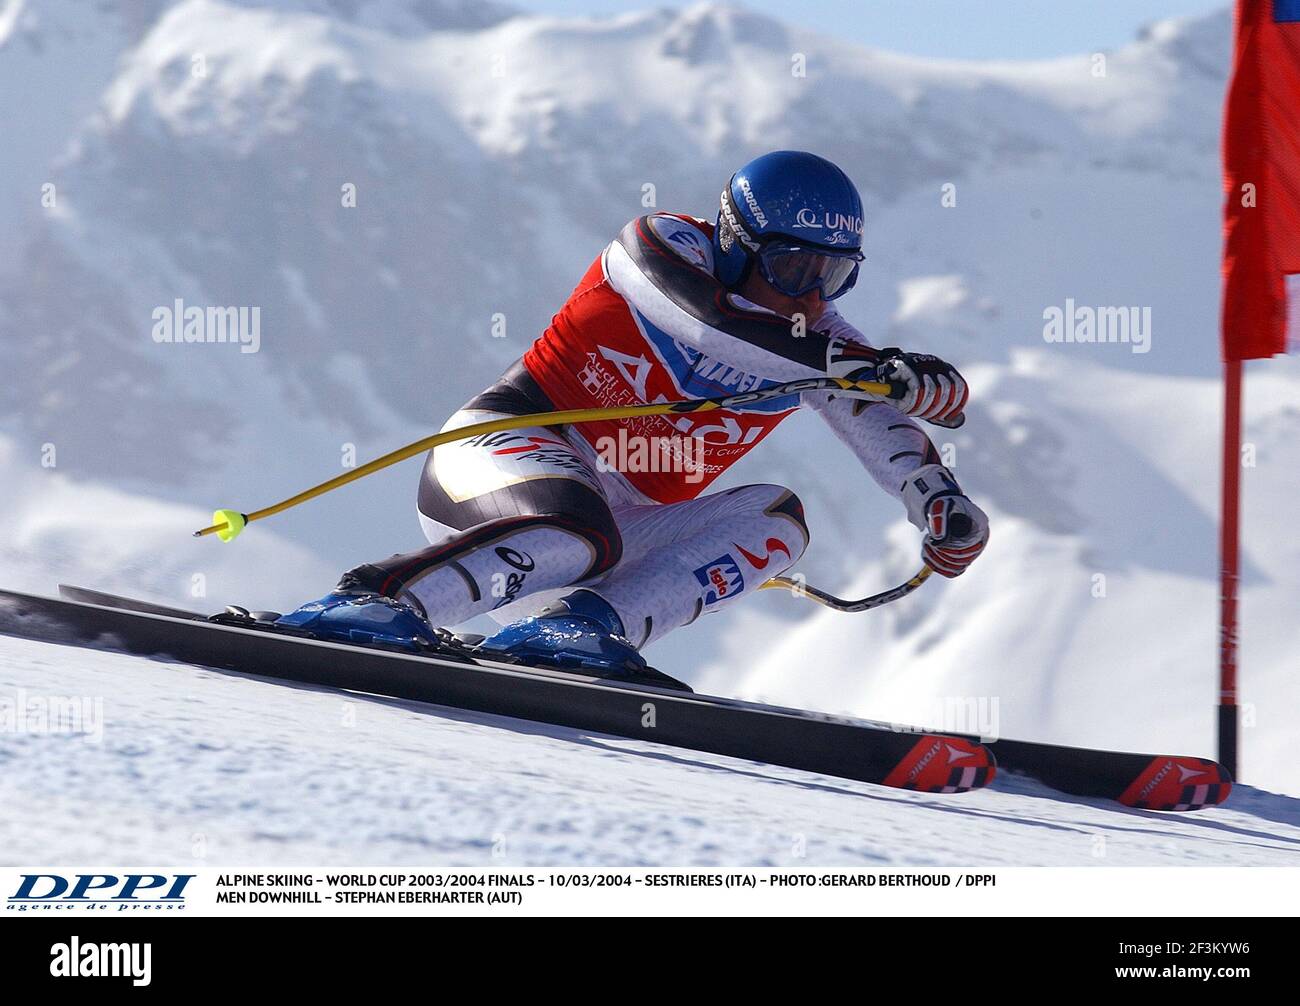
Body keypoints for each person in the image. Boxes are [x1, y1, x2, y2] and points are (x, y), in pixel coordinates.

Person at [277, 150, 989, 677]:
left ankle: (582, 629)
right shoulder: (657, 247)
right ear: (736, 244)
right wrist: (864, 369)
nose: (811, 298)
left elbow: (880, 426)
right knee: (580, 527)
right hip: (500, 456)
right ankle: (377, 598)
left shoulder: (821, 343)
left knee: (779, 522)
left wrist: (937, 500)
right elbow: (707, 321)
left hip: (602, 537)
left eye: (834, 276)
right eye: (795, 270)